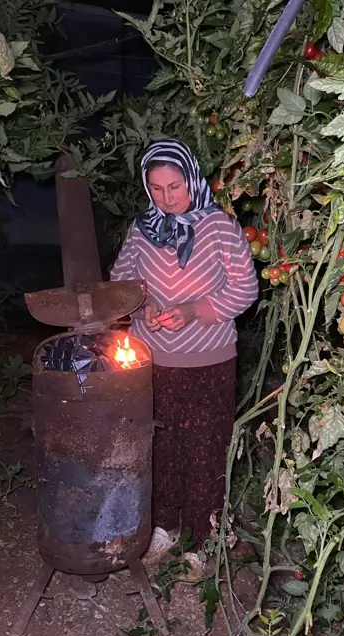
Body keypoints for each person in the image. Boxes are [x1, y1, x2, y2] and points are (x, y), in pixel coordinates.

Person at [110, 138, 259, 540]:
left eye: (174, 186)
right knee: (158, 444)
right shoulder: (142, 230)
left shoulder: (220, 227)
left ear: (191, 178)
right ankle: (161, 528)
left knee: (205, 448)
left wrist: (194, 310)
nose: (167, 197)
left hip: (208, 360)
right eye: (156, 188)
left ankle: (199, 537)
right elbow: (122, 282)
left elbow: (245, 290)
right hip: (152, 360)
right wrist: (147, 304)